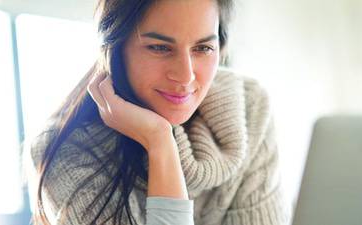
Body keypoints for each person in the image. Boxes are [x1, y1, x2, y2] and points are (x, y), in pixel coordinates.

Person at [23, 0, 286, 224]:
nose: (185, 76)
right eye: (160, 47)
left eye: (203, 48)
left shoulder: (250, 107)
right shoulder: (66, 150)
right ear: (115, 50)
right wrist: (160, 142)